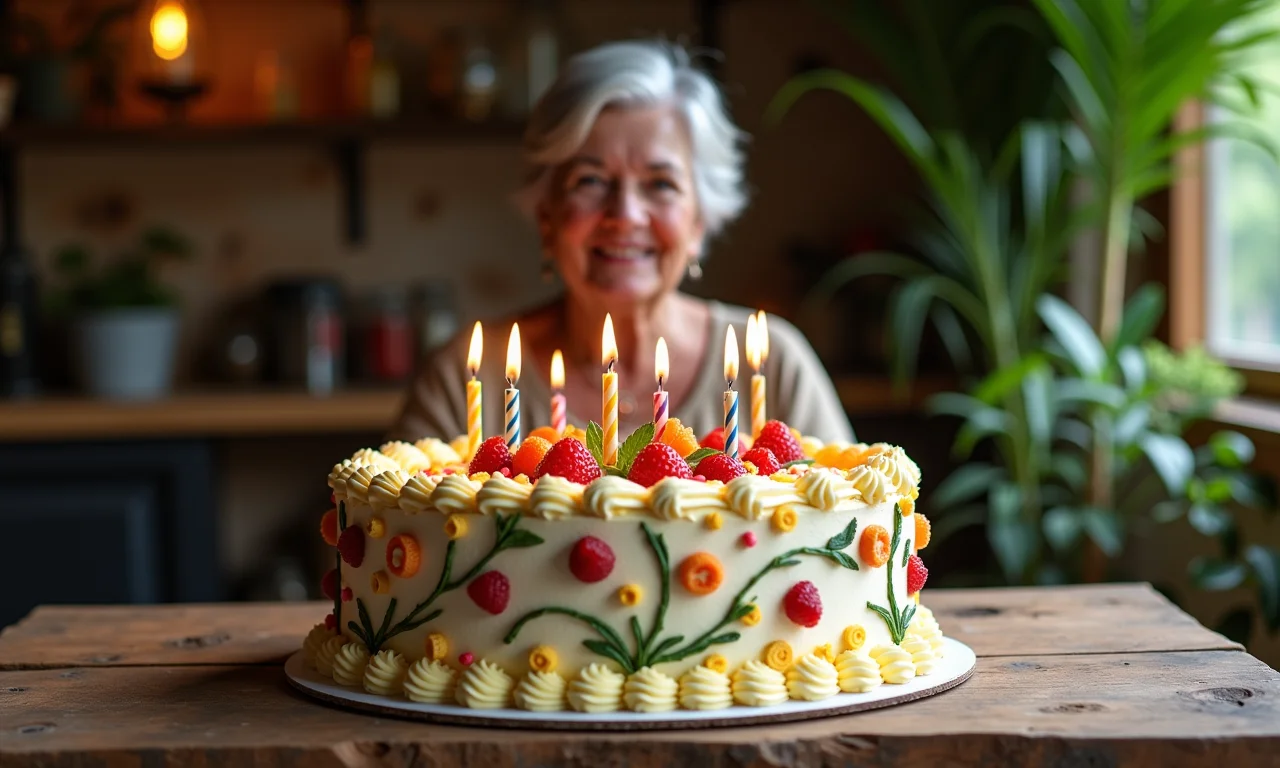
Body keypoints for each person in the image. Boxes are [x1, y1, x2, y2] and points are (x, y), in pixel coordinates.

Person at [390, 40, 853, 447]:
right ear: (547, 217)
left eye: (661, 184)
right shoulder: (465, 376)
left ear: (699, 222)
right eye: (590, 180)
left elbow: (850, 514)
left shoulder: (771, 364)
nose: (625, 214)